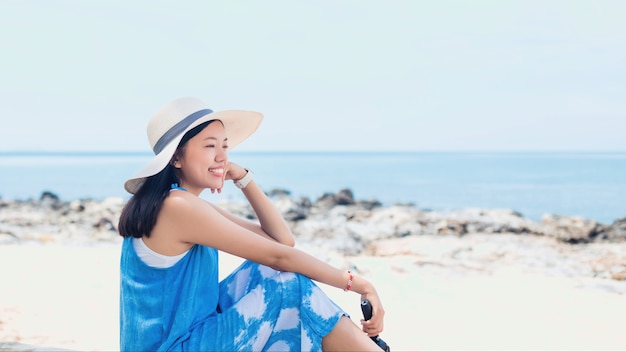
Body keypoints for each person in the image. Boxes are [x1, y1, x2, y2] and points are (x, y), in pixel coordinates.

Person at [118, 97, 385, 351]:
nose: (222, 156)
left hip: (193, 335)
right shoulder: (177, 208)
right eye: (210, 146)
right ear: (176, 158)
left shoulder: (181, 204)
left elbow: (281, 241)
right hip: (176, 346)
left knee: (269, 271)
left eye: (225, 146)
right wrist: (358, 284)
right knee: (288, 285)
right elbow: (280, 254)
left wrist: (244, 178)